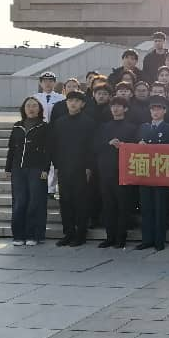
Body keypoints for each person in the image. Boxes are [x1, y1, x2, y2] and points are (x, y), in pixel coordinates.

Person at [49, 90, 96, 247]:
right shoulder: (59, 122)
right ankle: (68, 233)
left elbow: (91, 147)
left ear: (82, 104)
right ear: (66, 103)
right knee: (65, 201)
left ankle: (81, 234)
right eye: (70, 101)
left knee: (81, 201)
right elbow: (54, 146)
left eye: (76, 101)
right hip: (64, 167)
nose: (73, 103)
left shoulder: (89, 122)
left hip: (82, 168)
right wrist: (56, 165)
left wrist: (89, 166)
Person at [93, 96, 138, 249]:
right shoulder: (103, 127)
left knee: (123, 206)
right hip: (105, 171)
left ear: (125, 109)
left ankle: (121, 237)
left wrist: (124, 146)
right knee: (108, 205)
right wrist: (108, 143)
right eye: (113, 106)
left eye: (119, 106)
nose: (115, 109)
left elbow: (137, 148)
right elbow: (95, 146)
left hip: (123, 171)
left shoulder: (132, 128)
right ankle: (109, 237)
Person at [5, 97, 50, 246]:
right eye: (28, 106)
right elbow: (12, 149)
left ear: (39, 109)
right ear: (24, 109)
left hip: (36, 169)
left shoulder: (44, 127)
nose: (31, 108)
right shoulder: (17, 126)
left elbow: (48, 151)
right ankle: (18, 235)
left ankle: (33, 235)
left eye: (34, 106)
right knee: (19, 201)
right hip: (18, 169)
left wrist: (45, 169)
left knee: (35, 201)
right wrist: (8, 168)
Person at [135, 96, 169, 251]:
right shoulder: (143, 127)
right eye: (153, 109)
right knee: (146, 207)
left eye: (159, 109)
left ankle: (159, 240)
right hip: (145, 171)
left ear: (164, 111)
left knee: (160, 207)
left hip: (161, 172)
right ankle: (147, 239)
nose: (155, 112)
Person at [33, 71, 64, 197]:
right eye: (45, 81)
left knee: (54, 162)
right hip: (40, 132)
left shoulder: (61, 98)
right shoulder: (35, 98)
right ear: (41, 83)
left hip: (56, 133)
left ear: (54, 83)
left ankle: (51, 189)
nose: (48, 83)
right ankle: (40, 186)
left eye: (51, 81)